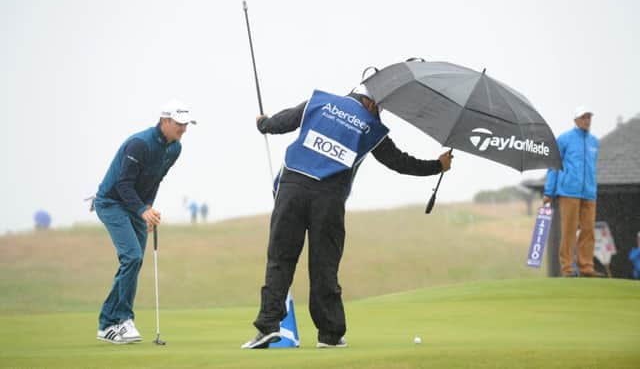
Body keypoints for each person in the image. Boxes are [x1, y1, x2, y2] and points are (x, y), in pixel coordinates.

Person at [242, 85, 453, 349]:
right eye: (379, 108)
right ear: (368, 102)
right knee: (324, 266)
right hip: (328, 198)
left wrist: (264, 124)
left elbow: (284, 121)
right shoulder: (370, 125)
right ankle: (329, 335)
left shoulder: (319, 102)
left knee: (280, 259)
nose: (379, 113)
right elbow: (399, 162)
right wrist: (437, 166)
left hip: (292, 188)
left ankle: (268, 327)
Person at [94, 100, 196, 344]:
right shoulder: (140, 144)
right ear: (164, 121)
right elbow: (123, 184)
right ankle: (119, 320)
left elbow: (155, 180)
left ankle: (110, 322)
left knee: (133, 262)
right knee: (132, 257)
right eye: (179, 124)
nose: (183, 129)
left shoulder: (175, 149)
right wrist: (142, 210)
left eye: (186, 124)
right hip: (111, 203)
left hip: (137, 206)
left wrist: (147, 207)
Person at [543, 106, 603, 278]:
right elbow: (554, 166)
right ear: (576, 120)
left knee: (588, 230)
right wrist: (549, 192)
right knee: (569, 230)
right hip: (568, 191)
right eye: (583, 117)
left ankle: (586, 267)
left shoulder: (594, 142)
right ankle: (567, 268)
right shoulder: (564, 139)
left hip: (589, 193)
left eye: (589, 117)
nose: (587, 120)